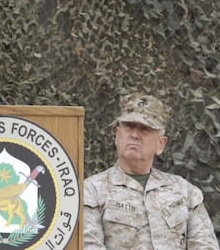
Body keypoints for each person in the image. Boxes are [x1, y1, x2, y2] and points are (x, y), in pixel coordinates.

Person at [84, 93, 219, 249]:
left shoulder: (185, 192)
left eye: (145, 129)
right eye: (129, 126)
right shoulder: (92, 191)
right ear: (117, 135)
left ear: (161, 144)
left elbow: (206, 246)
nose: (134, 135)